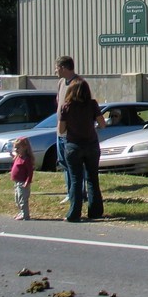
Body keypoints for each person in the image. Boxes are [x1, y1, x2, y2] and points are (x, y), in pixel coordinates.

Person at [58, 78, 106, 222]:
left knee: (76, 179)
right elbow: (102, 124)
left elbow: (61, 130)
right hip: (91, 145)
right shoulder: (92, 104)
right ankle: (95, 211)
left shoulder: (66, 107)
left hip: (73, 146)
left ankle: (74, 213)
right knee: (92, 178)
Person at [54, 55, 82, 204]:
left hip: (72, 133)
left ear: (64, 68)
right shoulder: (61, 82)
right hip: (60, 131)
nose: (55, 71)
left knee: (74, 164)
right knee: (64, 163)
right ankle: (69, 192)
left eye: (57, 67)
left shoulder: (78, 83)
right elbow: (59, 101)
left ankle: (78, 193)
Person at [10, 136, 34, 221]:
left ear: (25, 147)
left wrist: (28, 181)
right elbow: (14, 159)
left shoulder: (26, 159)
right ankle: (21, 212)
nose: (16, 149)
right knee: (17, 199)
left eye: (18, 147)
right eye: (15, 147)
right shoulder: (18, 157)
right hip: (17, 182)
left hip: (23, 183)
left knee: (22, 199)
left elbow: (30, 172)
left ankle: (25, 215)